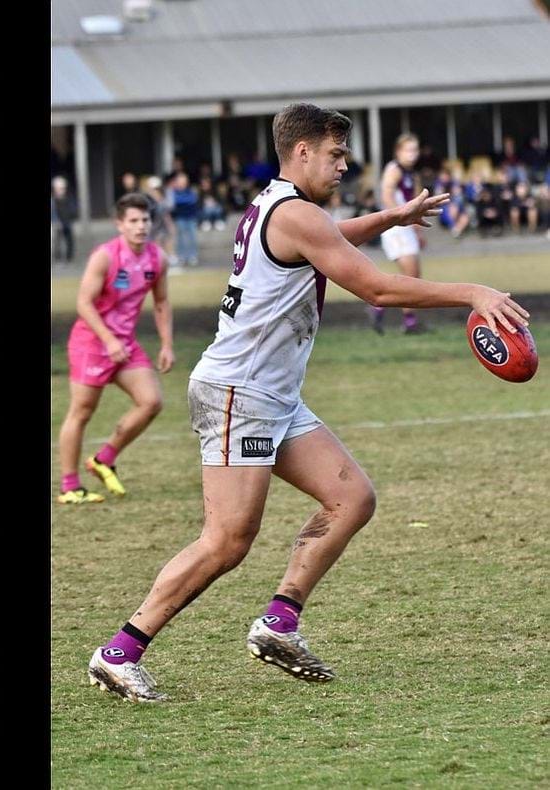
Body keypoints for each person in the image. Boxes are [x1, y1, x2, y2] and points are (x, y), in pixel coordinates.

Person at [87, 102, 528, 703]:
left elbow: (334, 238)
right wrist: (471, 291)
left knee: (351, 497)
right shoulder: (298, 214)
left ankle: (279, 623)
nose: (344, 164)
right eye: (335, 153)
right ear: (301, 152)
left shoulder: (280, 206)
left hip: (271, 393)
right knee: (226, 541)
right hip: (239, 391)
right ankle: (120, 652)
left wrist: (392, 216)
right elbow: (374, 286)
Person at [56, 193, 173, 505]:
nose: (140, 227)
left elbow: (161, 303)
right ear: (119, 224)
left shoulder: (156, 259)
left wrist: (166, 345)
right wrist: (108, 340)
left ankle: (103, 458)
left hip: (125, 345)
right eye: (133, 221)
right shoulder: (105, 256)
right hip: (91, 343)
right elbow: (83, 303)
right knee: (81, 412)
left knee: (151, 401)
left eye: (145, 220)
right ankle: (69, 486)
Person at [372, 133, 427, 334]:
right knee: (410, 276)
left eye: (415, 149)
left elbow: (417, 203)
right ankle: (408, 321)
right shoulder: (394, 170)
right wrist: (401, 217)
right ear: (398, 152)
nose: (413, 154)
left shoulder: (413, 174)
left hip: (407, 227)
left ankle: (379, 308)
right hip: (395, 227)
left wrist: (419, 232)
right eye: (408, 150)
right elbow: (386, 196)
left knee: (413, 276)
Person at [168, 172, 200, 266]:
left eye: (184, 181)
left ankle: (192, 256)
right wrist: (184, 201)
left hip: (191, 218)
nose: (182, 183)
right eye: (180, 181)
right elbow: (174, 203)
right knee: (180, 239)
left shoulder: (190, 191)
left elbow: (192, 201)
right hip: (179, 218)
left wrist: (182, 201)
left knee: (192, 238)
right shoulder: (173, 192)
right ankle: (181, 256)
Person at [51, 175, 78, 262]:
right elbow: (53, 212)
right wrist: (55, 221)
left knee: (69, 240)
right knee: (57, 241)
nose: (61, 190)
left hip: (67, 223)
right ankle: (57, 257)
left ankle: (68, 257)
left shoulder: (68, 198)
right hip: (57, 224)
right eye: (58, 188)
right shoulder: (53, 200)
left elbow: (73, 209)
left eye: (62, 188)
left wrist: (71, 217)